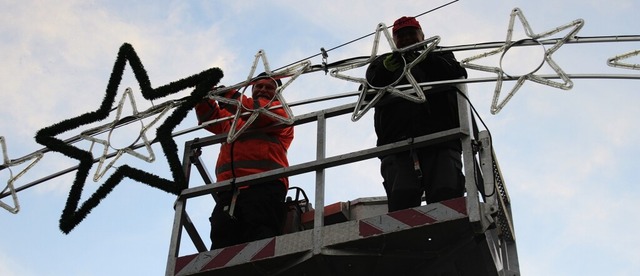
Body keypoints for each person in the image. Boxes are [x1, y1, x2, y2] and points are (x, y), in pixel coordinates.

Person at [365, 16, 468, 212]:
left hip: (441, 139)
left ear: (422, 35)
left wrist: (426, 58)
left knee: (446, 195)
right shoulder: (382, 63)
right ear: (394, 40)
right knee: (402, 196)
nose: (406, 39)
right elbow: (370, 87)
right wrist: (386, 69)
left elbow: (457, 74)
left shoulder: (441, 56)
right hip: (397, 144)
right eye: (401, 36)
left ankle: (448, 235)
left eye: (411, 33)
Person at [194, 73, 294, 249]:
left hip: (263, 186)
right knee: (222, 239)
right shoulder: (234, 116)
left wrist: (228, 96)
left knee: (260, 237)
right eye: (259, 86)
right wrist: (203, 96)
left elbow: (257, 113)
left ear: (278, 93)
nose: (263, 89)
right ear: (252, 90)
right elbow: (209, 119)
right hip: (230, 191)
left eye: (269, 87)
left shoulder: (279, 111)